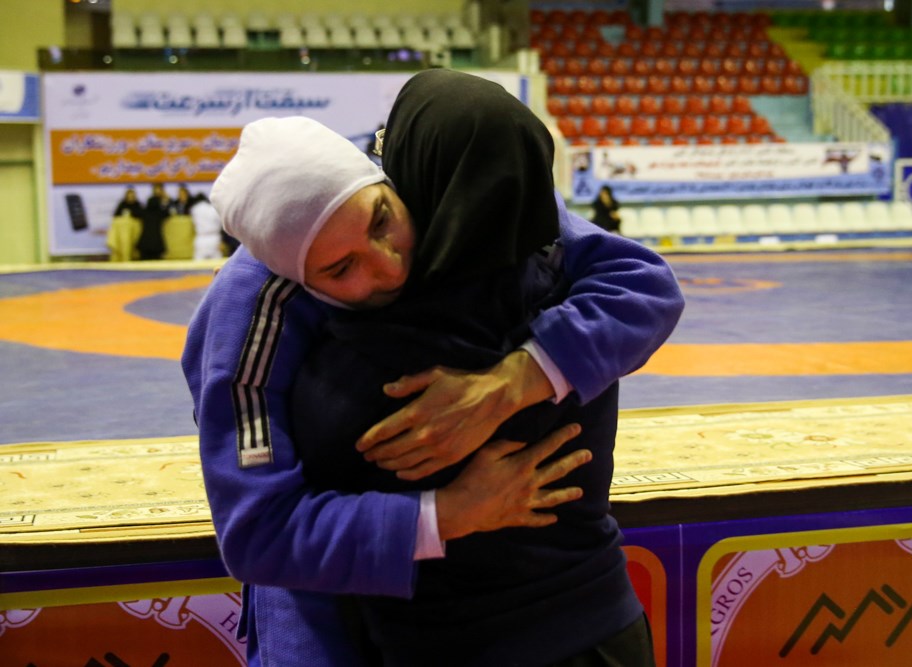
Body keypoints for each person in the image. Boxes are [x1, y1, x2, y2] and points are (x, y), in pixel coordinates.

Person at [182, 92, 683, 666]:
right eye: (341, 269)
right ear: (295, 274)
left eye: (383, 223)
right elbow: (258, 532)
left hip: (562, 611)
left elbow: (645, 283)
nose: (389, 265)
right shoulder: (249, 306)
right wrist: (443, 514)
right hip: (330, 624)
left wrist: (514, 380)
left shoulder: (433, 195)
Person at [137, 182, 170, 260]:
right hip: (157, 245)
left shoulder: (144, 212)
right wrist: (166, 201)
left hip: (144, 244)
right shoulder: (160, 213)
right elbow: (168, 213)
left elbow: (136, 212)